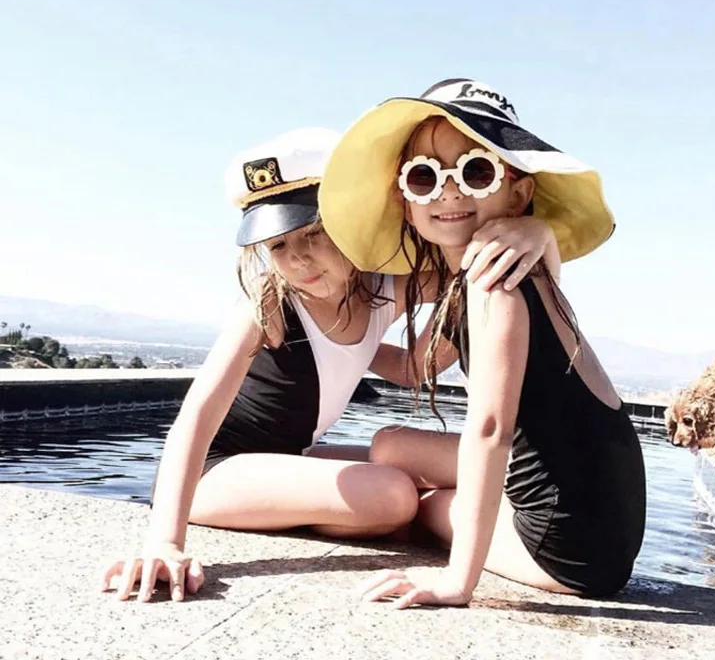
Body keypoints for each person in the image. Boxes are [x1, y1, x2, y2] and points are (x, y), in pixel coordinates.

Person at [100, 126, 560, 603]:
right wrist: (165, 543)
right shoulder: (268, 302)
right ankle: (381, 515)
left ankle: (458, 527)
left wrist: (537, 231)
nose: (299, 258)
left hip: (290, 459)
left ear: (351, 222)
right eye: (277, 245)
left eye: (314, 233)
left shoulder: (384, 288)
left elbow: (469, 271)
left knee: (407, 455)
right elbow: (198, 416)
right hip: (216, 473)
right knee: (391, 494)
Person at [319, 79, 647, 607]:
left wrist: (456, 583)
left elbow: (490, 430)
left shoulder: (494, 283)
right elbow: (415, 368)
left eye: (475, 171)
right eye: (424, 176)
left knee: (421, 505)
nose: (449, 192)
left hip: (572, 552)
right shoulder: (504, 274)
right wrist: (339, 339)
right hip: (597, 525)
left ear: (519, 191)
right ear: (406, 201)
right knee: (390, 445)